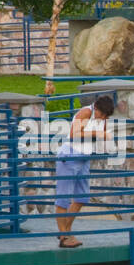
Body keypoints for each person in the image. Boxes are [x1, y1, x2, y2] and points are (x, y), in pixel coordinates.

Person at [54, 95, 115, 248]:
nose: (103, 118)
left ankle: (65, 231)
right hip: (70, 155)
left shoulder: (104, 118)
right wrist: (98, 134)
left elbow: (103, 136)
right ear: (96, 109)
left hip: (84, 158)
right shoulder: (85, 113)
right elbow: (75, 134)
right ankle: (64, 236)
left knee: (82, 198)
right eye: (102, 115)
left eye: (106, 116)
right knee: (63, 198)